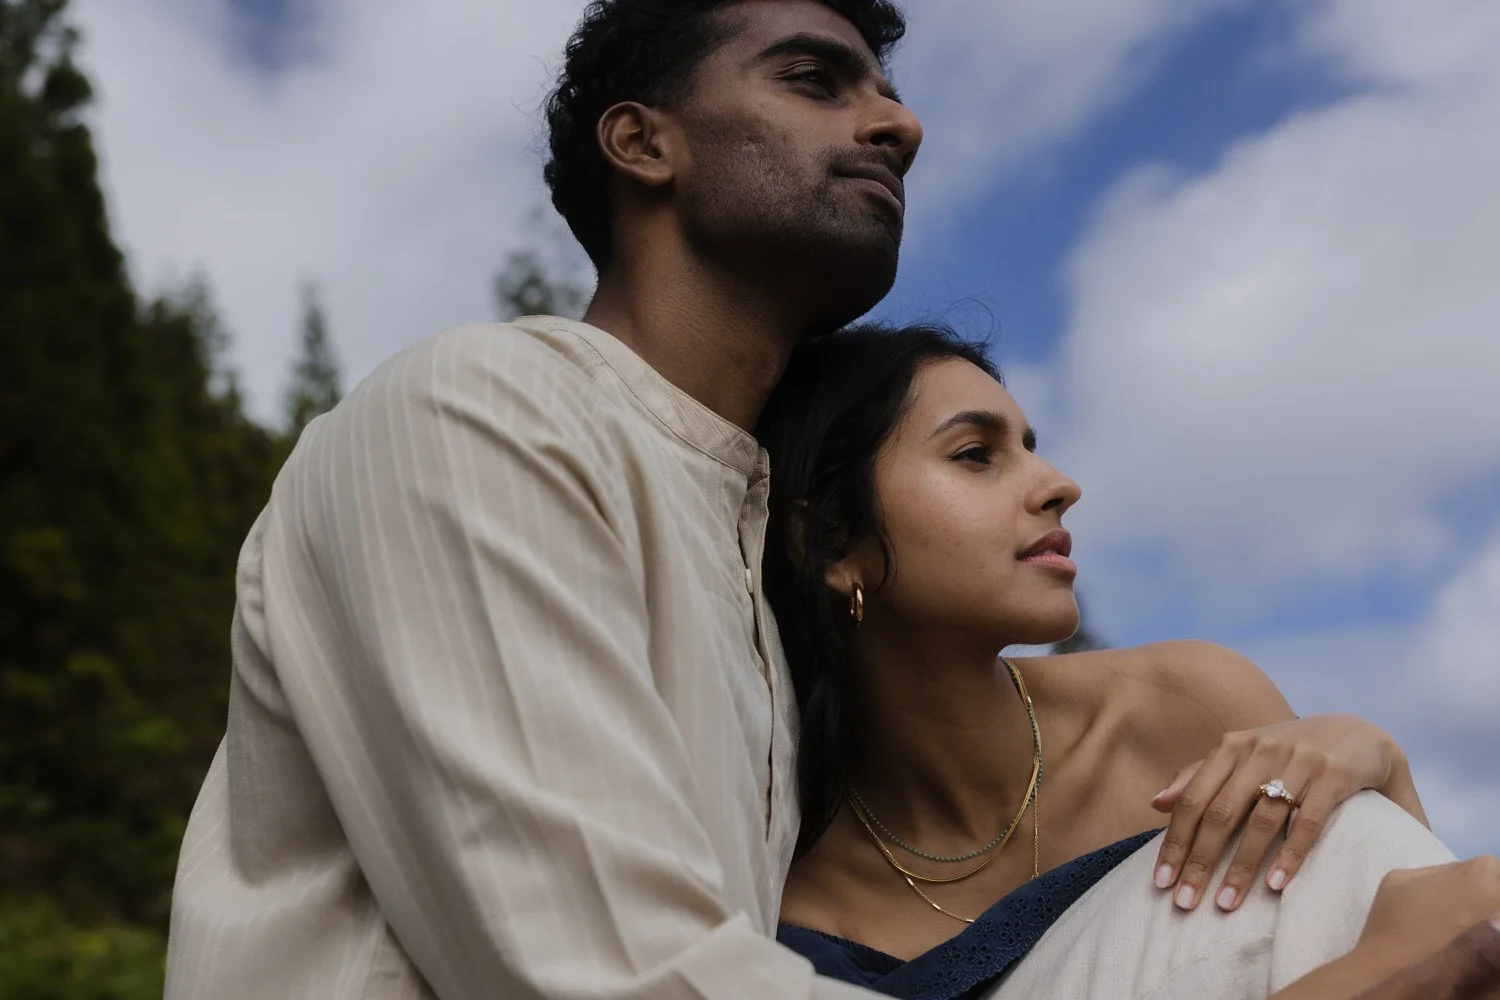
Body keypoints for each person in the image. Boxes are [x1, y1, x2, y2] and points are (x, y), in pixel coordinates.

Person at [161, 1, 1500, 998]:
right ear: (645, 143)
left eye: (889, 90)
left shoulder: (748, 558)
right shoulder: (483, 414)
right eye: (813, 77)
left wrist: (1358, 752)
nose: (898, 120)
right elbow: (607, 979)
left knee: (1367, 861)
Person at [756, 321, 1497, 997]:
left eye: (1030, 447)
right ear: (830, 544)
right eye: (975, 455)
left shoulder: (1187, 706)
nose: (1058, 486)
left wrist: (1383, 763)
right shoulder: (771, 864)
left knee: (1347, 823)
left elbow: (1418, 916)